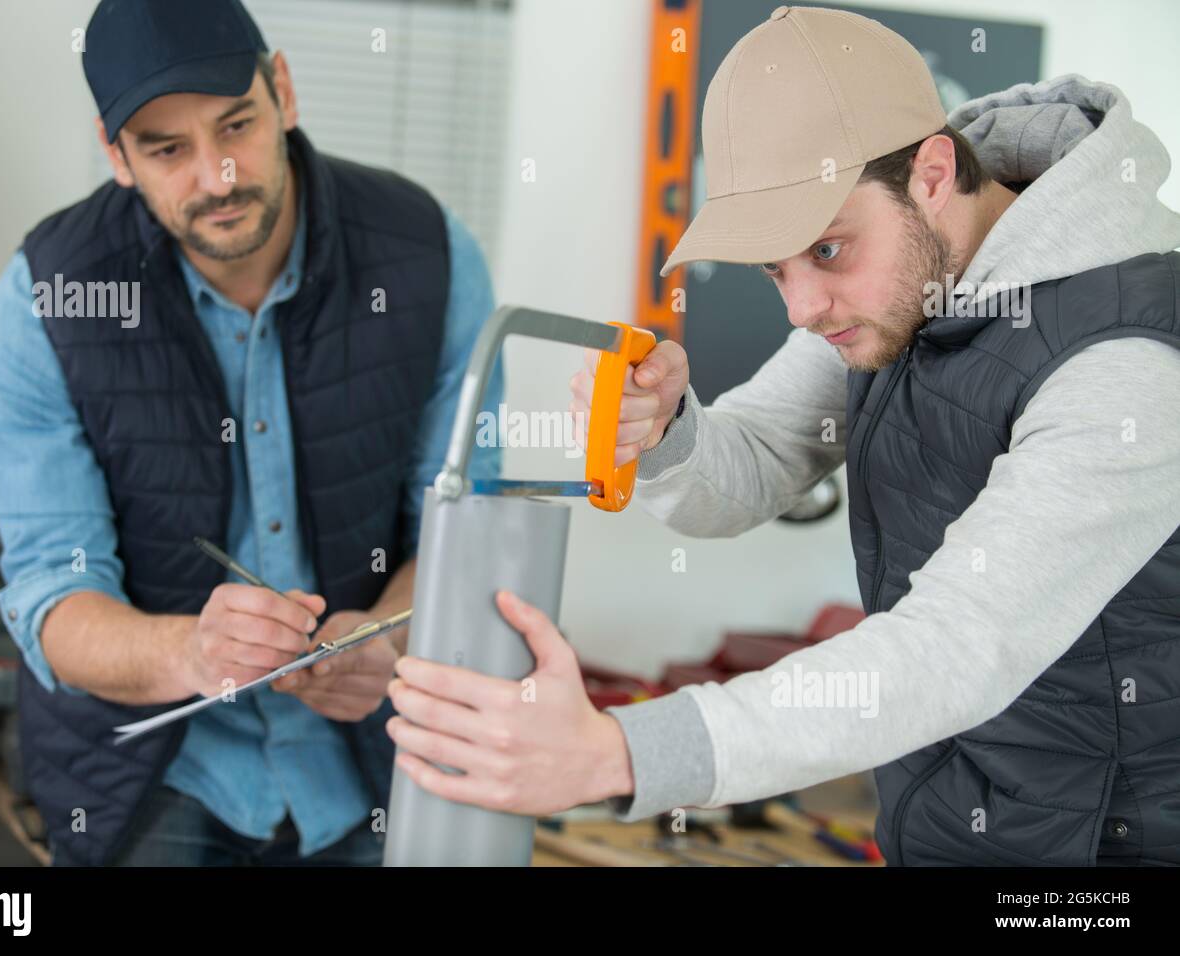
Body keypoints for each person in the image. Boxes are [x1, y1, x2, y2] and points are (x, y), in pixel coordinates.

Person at [384, 5, 1180, 865]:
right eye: (776, 271)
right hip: (955, 821)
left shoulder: (1127, 361)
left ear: (934, 175)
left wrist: (619, 754)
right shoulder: (898, 289)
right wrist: (666, 434)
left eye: (827, 251)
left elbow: (952, 651)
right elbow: (758, 462)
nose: (801, 309)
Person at [0, 0, 501, 866]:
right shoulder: (44, 300)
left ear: (283, 91)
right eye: (167, 149)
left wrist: (390, 636)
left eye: (237, 125)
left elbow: (465, 525)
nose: (219, 176)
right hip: (152, 775)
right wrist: (190, 651)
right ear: (116, 156)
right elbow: (50, 598)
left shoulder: (429, 255)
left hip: (373, 765)